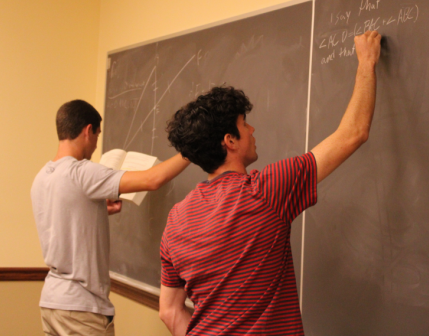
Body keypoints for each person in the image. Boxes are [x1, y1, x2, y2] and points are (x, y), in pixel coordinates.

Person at [158, 30, 381, 336]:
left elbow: (169, 311)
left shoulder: (176, 220)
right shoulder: (266, 191)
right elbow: (353, 133)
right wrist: (367, 62)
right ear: (229, 141)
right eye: (243, 124)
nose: (252, 128)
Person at [31, 99, 190, 336]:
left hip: (52, 302)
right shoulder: (82, 172)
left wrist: (97, 209)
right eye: (97, 135)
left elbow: (64, 218)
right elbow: (152, 179)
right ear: (88, 130)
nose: (96, 145)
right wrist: (193, 151)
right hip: (81, 309)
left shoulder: (42, 177)